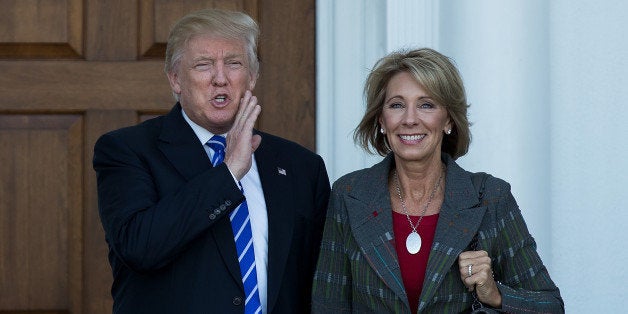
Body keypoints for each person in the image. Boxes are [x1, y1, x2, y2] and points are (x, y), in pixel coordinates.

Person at [93, 8, 330, 314]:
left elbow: (320, 281)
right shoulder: (127, 150)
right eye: (203, 65)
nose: (221, 79)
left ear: (252, 77)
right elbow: (140, 247)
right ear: (175, 79)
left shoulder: (301, 166)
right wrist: (230, 172)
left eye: (234, 64)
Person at [311, 48, 563, 313]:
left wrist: (494, 293)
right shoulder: (349, 195)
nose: (409, 119)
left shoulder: (490, 197)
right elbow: (328, 306)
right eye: (397, 105)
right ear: (381, 121)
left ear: (449, 120)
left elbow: (551, 306)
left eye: (426, 105)